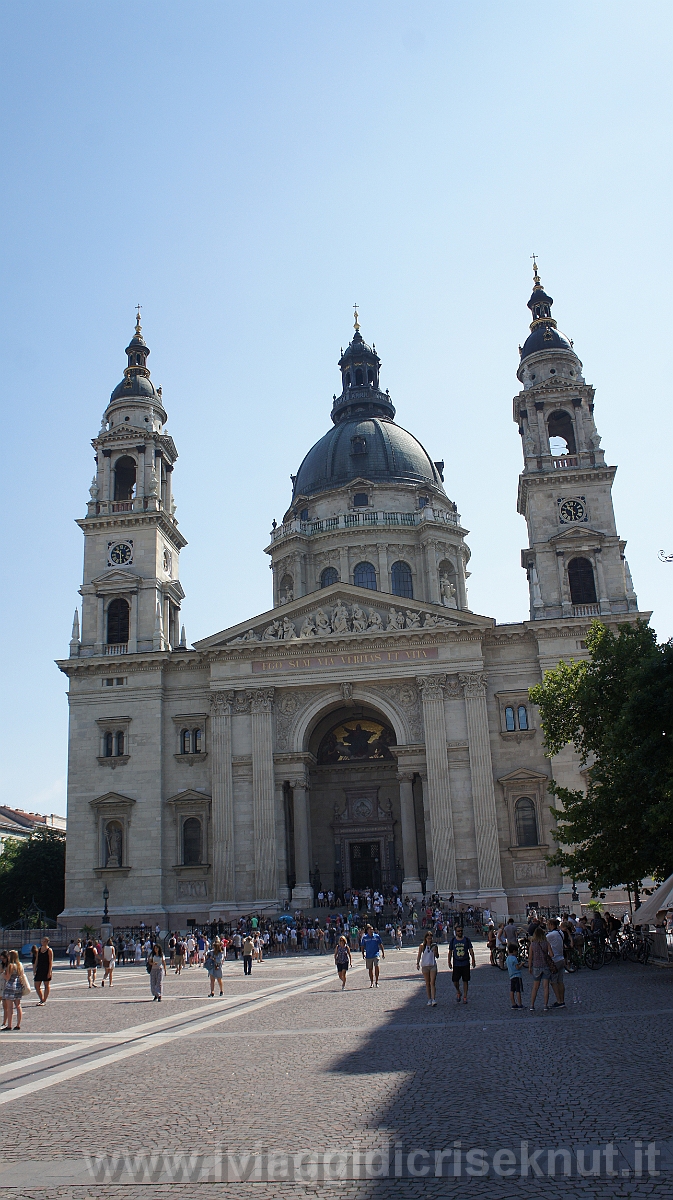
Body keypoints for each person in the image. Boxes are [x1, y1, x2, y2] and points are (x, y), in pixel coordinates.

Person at [528, 926, 554, 1012]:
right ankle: (545, 1005)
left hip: (536, 966)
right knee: (546, 987)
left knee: (535, 987)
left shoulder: (533, 944)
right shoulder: (546, 943)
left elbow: (530, 957)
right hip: (545, 966)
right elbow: (551, 954)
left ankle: (532, 1005)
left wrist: (529, 967)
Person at [448, 925, 475, 1004]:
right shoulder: (453, 941)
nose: (460, 932)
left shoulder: (466, 940)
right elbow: (450, 952)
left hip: (465, 962)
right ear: (455, 932)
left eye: (461, 931)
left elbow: (470, 950)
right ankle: (458, 991)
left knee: (465, 980)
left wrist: (473, 959)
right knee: (455, 981)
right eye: (458, 931)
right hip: (456, 963)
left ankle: (465, 996)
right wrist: (449, 961)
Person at [2, 951, 28, 1030]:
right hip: (18, 986)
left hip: (10, 986)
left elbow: (7, 977)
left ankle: (9, 1025)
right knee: (18, 1006)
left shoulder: (11, 965)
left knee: (10, 1007)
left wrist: (2, 973)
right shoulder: (19, 965)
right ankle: (18, 1024)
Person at [545, 919, 567, 1008]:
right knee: (560, 981)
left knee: (553, 982)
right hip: (561, 958)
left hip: (554, 960)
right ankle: (562, 1000)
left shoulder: (550, 935)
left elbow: (542, 940)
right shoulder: (560, 933)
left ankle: (559, 1001)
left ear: (551, 924)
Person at [416, 931, 439, 1006]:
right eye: (428, 938)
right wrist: (417, 963)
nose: (429, 940)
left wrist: (435, 952)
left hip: (432, 965)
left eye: (431, 938)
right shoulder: (422, 946)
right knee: (427, 983)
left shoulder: (434, 945)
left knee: (432, 982)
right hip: (425, 966)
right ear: (425, 938)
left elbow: (437, 956)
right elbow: (419, 955)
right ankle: (429, 999)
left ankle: (433, 999)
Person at [33, 937, 53, 1005]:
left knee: (46, 985)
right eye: (42, 941)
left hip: (46, 969)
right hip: (40, 969)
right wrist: (34, 969)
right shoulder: (39, 949)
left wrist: (49, 972)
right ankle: (41, 999)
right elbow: (36, 960)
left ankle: (44, 1000)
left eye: (44, 941)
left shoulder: (49, 950)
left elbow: (50, 962)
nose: (43, 942)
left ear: (47, 942)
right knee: (36, 985)